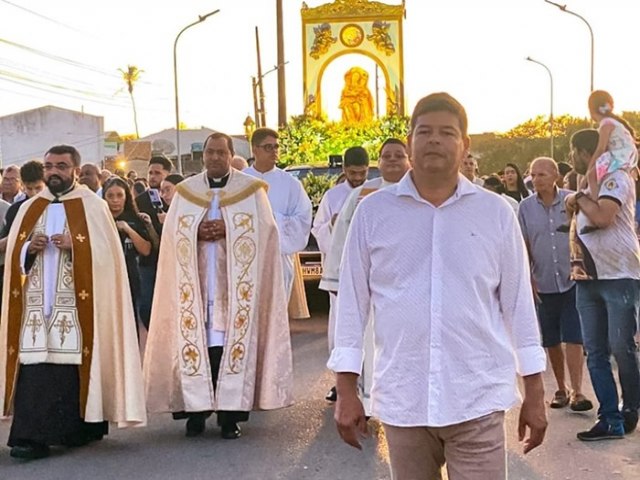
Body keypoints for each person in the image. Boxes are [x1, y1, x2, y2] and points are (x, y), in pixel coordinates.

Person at [329, 93, 547, 479]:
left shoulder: (495, 213)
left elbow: (518, 306)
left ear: (464, 145)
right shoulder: (373, 213)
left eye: (447, 132)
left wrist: (535, 390)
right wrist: (346, 389)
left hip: (475, 396)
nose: (434, 140)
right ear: (409, 140)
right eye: (424, 131)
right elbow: (351, 306)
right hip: (404, 398)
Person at [144, 132, 293, 440]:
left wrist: (230, 229)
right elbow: (172, 236)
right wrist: (196, 231)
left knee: (227, 348)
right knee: (196, 345)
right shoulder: (187, 192)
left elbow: (267, 232)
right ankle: (195, 415)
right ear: (204, 157)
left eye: (220, 153)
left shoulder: (251, 191)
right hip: (197, 287)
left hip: (233, 289)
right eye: (209, 152)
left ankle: (229, 418)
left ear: (230, 155)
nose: (214, 157)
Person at [0, 144, 146, 460]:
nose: (54, 172)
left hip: (79, 307)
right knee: (36, 367)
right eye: (49, 166)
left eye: (61, 166)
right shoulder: (30, 207)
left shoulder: (93, 206)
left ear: (75, 171)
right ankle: (30, 437)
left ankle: (78, 428)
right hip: (37, 306)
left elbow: (109, 259)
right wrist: (29, 249)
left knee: (72, 369)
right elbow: (15, 256)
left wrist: (77, 246)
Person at [320, 138, 411, 407]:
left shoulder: (423, 192)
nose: (393, 160)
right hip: (373, 284)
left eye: (399, 155)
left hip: (411, 286)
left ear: (409, 160)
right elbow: (342, 237)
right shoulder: (363, 195)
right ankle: (371, 402)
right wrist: (335, 278)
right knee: (370, 342)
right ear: (379, 162)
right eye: (387, 156)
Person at [565, 129, 640, 440]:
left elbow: (604, 217)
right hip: (586, 277)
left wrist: (576, 197)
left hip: (618, 276)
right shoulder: (587, 184)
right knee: (595, 352)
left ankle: (631, 408)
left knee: (622, 348)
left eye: (573, 152)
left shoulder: (617, 178)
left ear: (586, 152)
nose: (570, 159)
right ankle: (609, 419)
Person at [518, 157, 592, 413]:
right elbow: (523, 245)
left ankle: (578, 391)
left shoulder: (572, 200)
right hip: (543, 281)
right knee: (551, 339)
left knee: (574, 335)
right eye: (533, 175)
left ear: (555, 176)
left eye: (542, 174)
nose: (537, 179)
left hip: (572, 279)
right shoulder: (525, 208)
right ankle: (560, 388)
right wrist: (528, 277)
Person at [245, 128, 312, 299]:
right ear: (255, 149)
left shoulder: (290, 183)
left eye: (276, 147)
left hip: (278, 258)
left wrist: (273, 219)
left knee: (276, 313)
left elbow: (303, 218)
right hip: (246, 259)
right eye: (268, 147)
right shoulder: (241, 180)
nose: (274, 151)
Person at [102, 176, 151, 334]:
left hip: (130, 278)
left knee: (129, 326)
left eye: (119, 195)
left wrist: (129, 230)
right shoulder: (98, 220)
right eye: (110, 196)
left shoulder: (135, 220)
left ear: (126, 197)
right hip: (105, 280)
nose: (115, 200)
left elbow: (146, 250)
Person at [135, 155, 172, 330]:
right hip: (148, 261)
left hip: (171, 260)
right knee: (146, 306)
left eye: (157, 173)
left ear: (167, 174)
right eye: (150, 173)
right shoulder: (140, 200)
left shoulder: (177, 198)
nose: (153, 177)